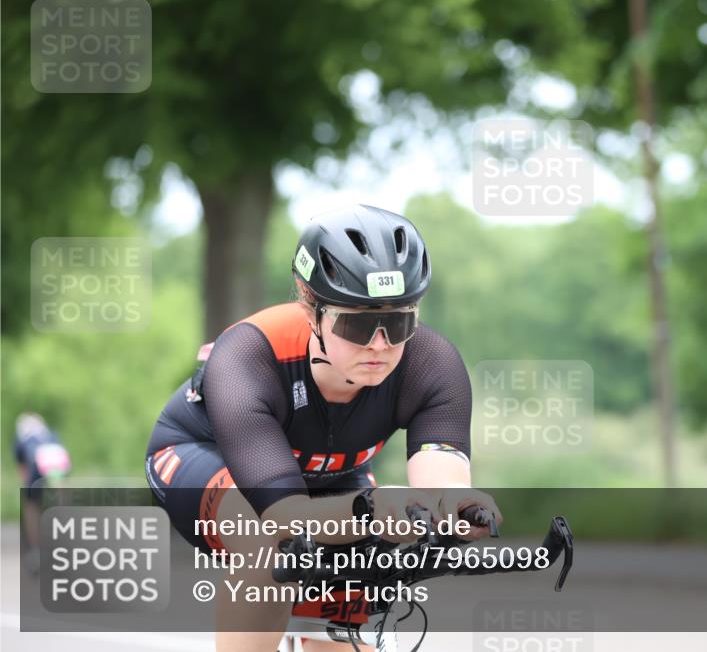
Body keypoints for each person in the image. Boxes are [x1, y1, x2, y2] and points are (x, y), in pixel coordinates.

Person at [146, 204, 501, 652]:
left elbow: (439, 482)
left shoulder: (431, 363)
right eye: (356, 323)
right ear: (310, 307)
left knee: (357, 572)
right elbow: (282, 515)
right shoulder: (249, 355)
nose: (380, 344)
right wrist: (371, 509)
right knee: (268, 545)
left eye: (398, 321)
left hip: (332, 475)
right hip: (204, 460)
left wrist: (455, 508)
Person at [14, 413, 71, 564]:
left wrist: (28, 490)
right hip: (59, 465)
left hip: (37, 468)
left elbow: (23, 470)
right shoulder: (51, 434)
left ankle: (36, 550)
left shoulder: (22, 439)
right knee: (60, 504)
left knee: (31, 507)